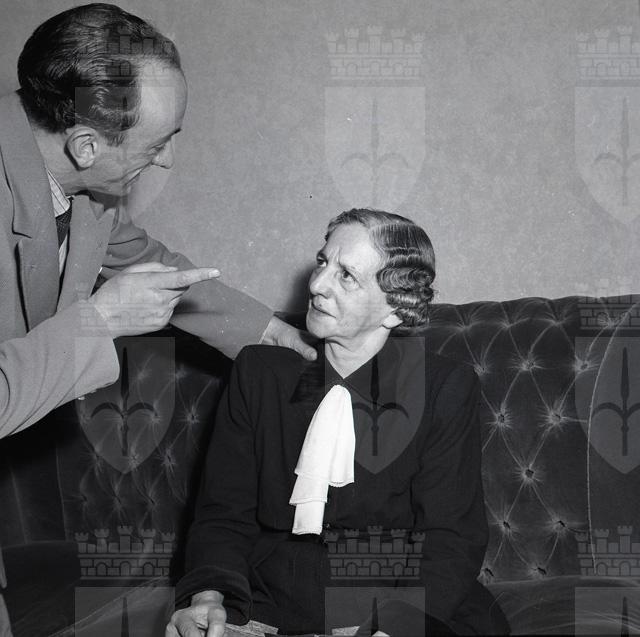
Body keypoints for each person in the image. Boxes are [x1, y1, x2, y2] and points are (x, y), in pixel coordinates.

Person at [0, 4, 315, 634]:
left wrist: (270, 331)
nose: (167, 160)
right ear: (86, 146)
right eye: (156, 144)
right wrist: (100, 322)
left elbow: (142, 258)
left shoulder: (81, 191)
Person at [167, 209, 510, 636]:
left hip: (397, 599)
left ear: (395, 310)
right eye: (322, 262)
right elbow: (223, 513)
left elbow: (451, 537)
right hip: (270, 597)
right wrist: (209, 596)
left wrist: (397, 628)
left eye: (346, 276)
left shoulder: (442, 386)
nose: (316, 285)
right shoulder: (259, 373)